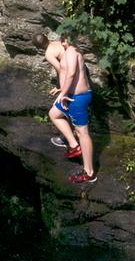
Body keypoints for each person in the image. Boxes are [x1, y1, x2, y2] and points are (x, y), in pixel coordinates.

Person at [32, 33, 97, 184]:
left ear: (66, 41)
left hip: (77, 98)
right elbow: (67, 72)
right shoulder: (68, 51)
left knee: (83, 133)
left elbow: (70, 74)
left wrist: (63, 92)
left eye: (63, 40)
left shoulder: (72, 52)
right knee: (54, 113)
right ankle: (74, 145)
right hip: (73, 96)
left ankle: (89, 173)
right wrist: (62, 91)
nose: (61, 43)